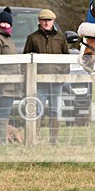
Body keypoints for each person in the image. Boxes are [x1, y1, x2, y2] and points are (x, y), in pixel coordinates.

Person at [24, 9, 68, 145]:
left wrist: (62, 75)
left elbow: (66, 58)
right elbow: (26, 59)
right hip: (39, 82)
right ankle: (34, 138)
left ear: (53, 21)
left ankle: (53, 140)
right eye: (44, 20)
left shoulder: (60, 38)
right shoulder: (32, 38)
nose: (46, 23)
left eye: (49, 20)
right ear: (39, 21)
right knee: (37, 109)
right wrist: (30, 79)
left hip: (56, 82)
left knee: (55, 110)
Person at [0, 7, 21, 145]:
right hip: (4, 82)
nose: (6, 26)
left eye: (8, 24)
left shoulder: (7, 38)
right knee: (3, 113)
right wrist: (5, 77)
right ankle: (1, 141)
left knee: (5, 113)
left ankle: (2, 140)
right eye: (3, 23)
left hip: (12, 81)